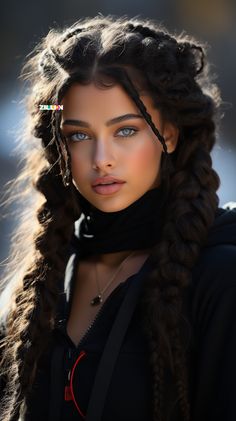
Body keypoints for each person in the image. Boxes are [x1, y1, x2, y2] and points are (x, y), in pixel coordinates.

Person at [0, 15, 236, 421]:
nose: (101, 158)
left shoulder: (220, 275)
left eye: (125, 130)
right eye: (78, 134)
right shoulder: (37, 286)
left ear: (170, 133)